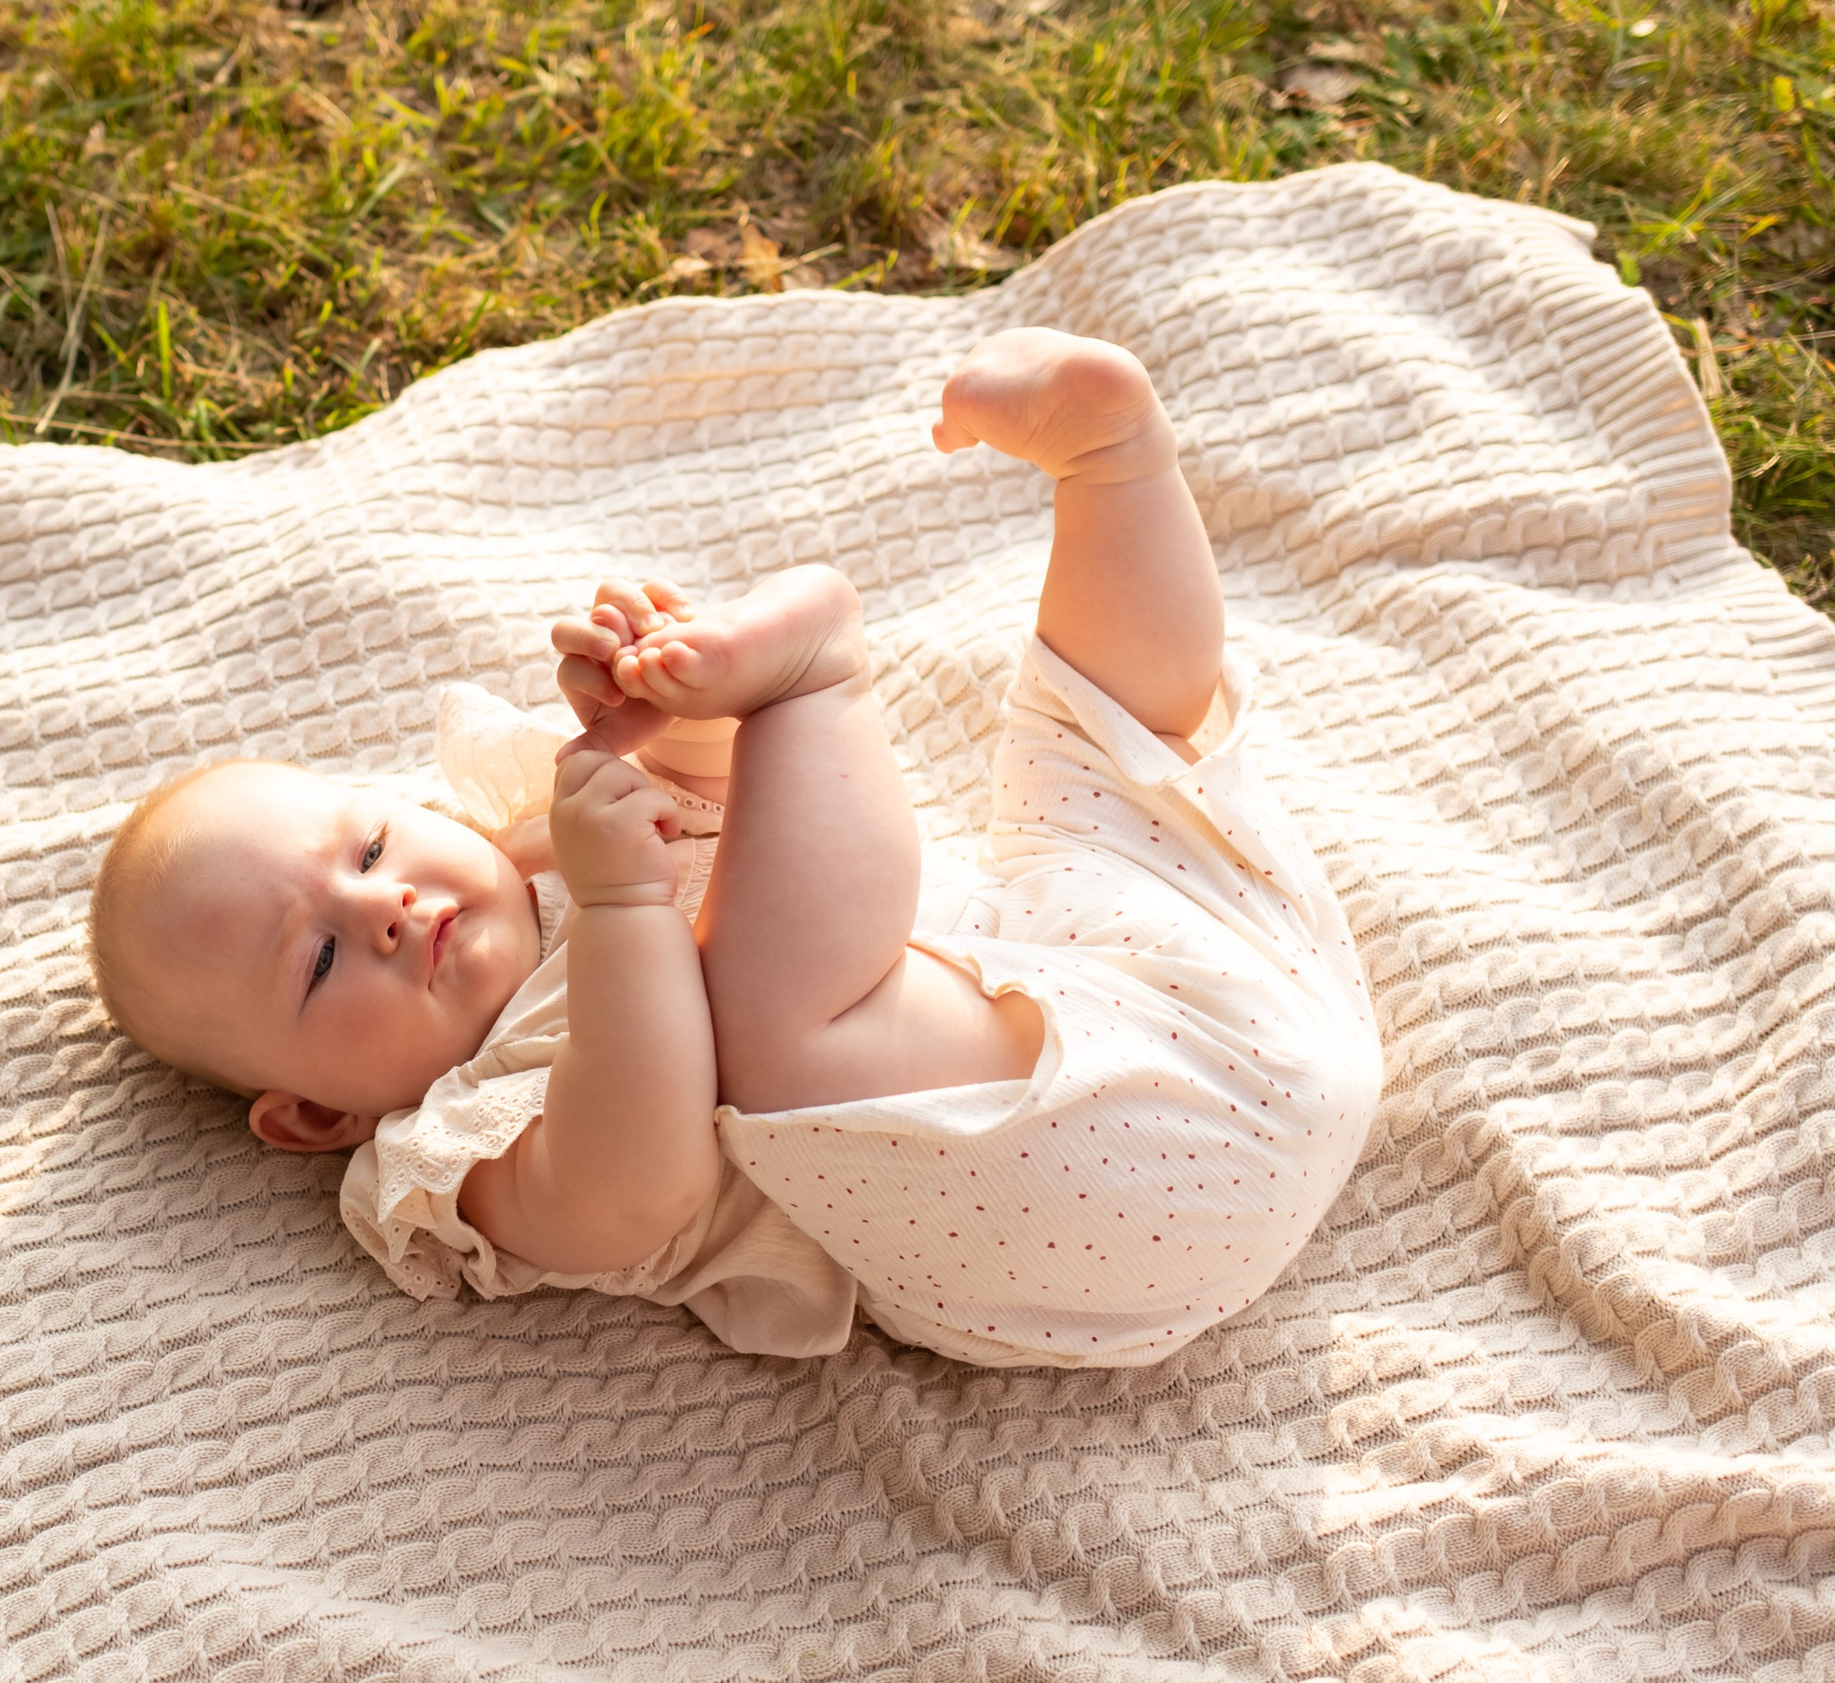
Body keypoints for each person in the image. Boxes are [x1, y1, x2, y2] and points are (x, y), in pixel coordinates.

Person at [85, 329, 1381, 1366]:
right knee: (764, 1046)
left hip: (1189, 995)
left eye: (368, 843)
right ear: (312, 1115)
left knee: (1101, 758)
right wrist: (632, 910)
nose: (379, 904)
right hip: (1083, 1198)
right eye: (316, 960)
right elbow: (641, 1173)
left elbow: (751, 832)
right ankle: (820, 672)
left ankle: (1114, 464)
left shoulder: (550, 836)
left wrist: (686, 719)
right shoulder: (449, 1153)